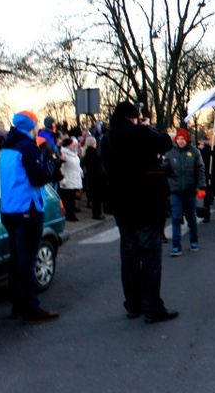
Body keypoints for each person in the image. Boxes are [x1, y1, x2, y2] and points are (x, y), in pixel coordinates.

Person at [100, 101, 178, 323]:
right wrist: (147, 127)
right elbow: (165, 142)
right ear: (134, 117)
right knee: (150, 255)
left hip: (121, 204)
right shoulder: (139, 133)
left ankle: (133, 303)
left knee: (129, 255)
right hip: (146, 202)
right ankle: (153, 306)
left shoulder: (107, 138)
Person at [0, 110, 61, 324]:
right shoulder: (27, 146)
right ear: (30, 126)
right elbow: (38, 177)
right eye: (35, 124)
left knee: (17, 260)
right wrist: (51, 167)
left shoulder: (6, 147)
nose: (37, 128)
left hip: (10, 209)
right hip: (28, 208)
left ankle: (18, 304)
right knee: (27, 261)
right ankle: (30, 308)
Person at [163, 128, 206, 256]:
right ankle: (176, 245)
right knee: (176, 218)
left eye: (183, 139)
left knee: (191, 217)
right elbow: (165, 169)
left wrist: (201, 186)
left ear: (187, 139)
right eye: (178, 139)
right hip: (175, 190)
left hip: (190, 190)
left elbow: (200, 169)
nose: (180, 141)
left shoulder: (194, 152)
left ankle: (194, 240)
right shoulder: (170, 153)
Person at [200, 129, 215, 223]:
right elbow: (202, 163)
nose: (213, 141)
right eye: (211, 139)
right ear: (208, 141)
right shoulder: (204, 150)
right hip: (208, 176)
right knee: (207, 197)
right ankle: (207, 215)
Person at [58, 137, 83, 222]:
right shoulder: (63, 154)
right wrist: (62, 180)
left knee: (72, 198)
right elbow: (61, 168)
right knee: (68, 199)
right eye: (73, 145)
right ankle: (69, 215)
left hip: (74, 178)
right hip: (67, 179)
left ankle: (72, 214)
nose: (75, 146)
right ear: (68, 145)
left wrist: (80, 171)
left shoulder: (74, 154)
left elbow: (77, 165)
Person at [81, 136, 106, 220]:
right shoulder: (95, 154)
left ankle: (96, 212)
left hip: (91, 177)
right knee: (97, 196)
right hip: (98, 177)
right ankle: (97, 213)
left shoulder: (87, 154)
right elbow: (100, 163)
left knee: (94, 196)